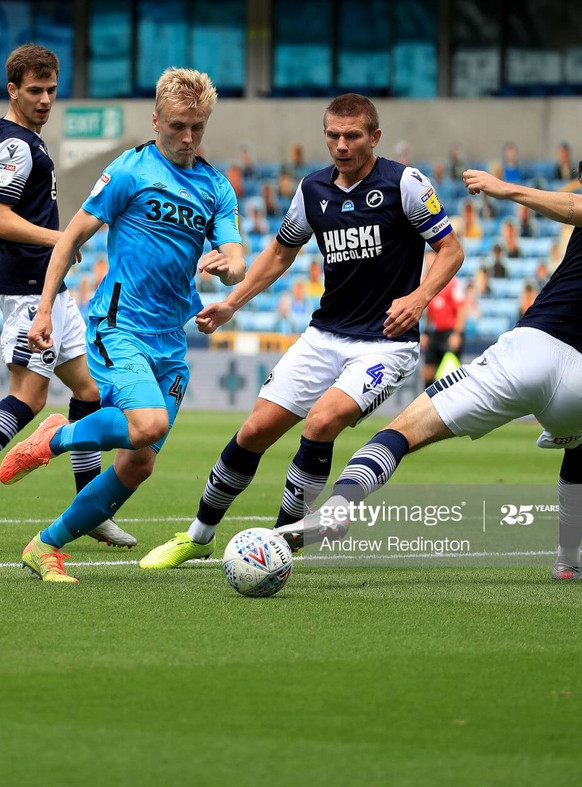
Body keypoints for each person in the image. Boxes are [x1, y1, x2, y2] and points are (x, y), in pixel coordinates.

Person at [276, 132, 582, 581]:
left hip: (534, 349)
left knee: (402, 431)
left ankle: (336, 510)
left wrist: (506, 188)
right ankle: (568, 559)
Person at [137, 93, 463, 569]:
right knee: (254, 431)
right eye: (333, 135)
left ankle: (282, 541)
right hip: (324, 334)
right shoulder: (313, 190)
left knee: (321, 422)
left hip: (384, 344)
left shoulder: (405, 184)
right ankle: (198, 535)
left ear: (375, 137)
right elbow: (279, 254)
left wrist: (418, 299)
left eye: (352, 136)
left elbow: (450, 250)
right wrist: (230, 303)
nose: (341, 145)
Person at [0, 67, 246, 582]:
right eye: (178, 125)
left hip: (170, 342)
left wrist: (230, 266)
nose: (188, 137)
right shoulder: (130, 171)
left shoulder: (216, 187)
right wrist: (44, 309)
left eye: (198, 127)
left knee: (139, 463)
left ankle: (45, 546)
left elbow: (238, 259)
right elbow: (69, 238)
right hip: (118, 326)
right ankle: (59, 437)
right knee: (148, 426)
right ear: (155, 120)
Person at [0, 45, 136, 551]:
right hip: (32, 291)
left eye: (51, 90)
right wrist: (56, 241)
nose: (44, 100)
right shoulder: (15, 144)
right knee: (29, 398)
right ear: (12, 89)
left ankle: (89, 510)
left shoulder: (2, 134)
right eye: (34, 90)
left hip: (48, 288)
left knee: (87, 395)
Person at [423, 255, 467, 385]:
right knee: (427, 374)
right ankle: (428, 402)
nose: (429, 264)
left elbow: (461, 309)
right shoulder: (426, 284)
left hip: (450, 333)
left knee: (452, 375)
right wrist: (426, 332)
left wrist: (457, 334)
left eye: (432, 261)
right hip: (435, 333)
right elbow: (428, 312)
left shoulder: (451, 283)